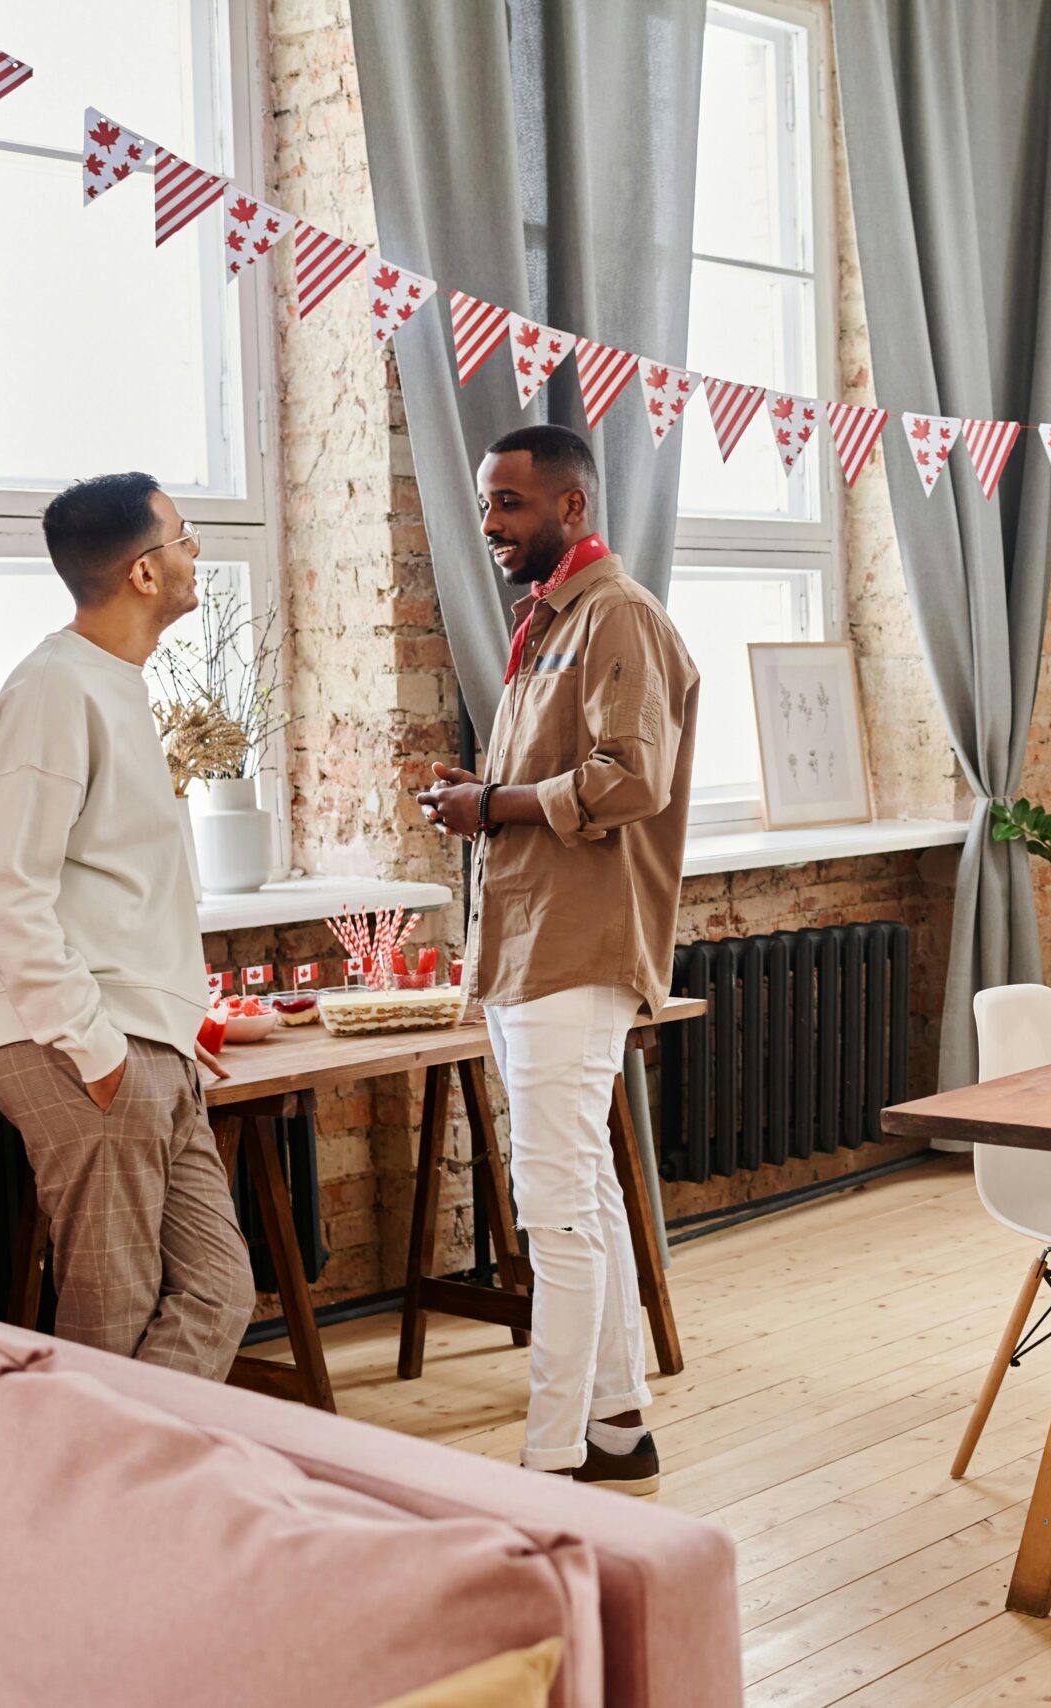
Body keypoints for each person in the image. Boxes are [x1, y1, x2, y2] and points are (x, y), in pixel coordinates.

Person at [417, 424, 700, 1486]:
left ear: (572, 509)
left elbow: (631, 778)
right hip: (531, 943)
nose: (489, 522)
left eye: (509, 504)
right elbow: (557, 781)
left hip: (573, 952)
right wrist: (484, 795)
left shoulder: (615, 618)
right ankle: (617, 1428)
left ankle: (546, 1462)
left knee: (554, 1207)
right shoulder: (550, 622)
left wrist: (491, 802)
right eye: (488, 503)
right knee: (580, 1193)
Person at [0, 473, 252, 1377]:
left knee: (217, 1289)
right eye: (184, 536)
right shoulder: (55, 688)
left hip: (142, 1042)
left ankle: (113, 1491)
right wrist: (97, 1046)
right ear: (144, 572)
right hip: (81, 1045)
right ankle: (77, 1507)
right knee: (112, 1310)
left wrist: (168, 1028)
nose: (196, 551)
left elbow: (115, 891)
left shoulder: (115, 685)